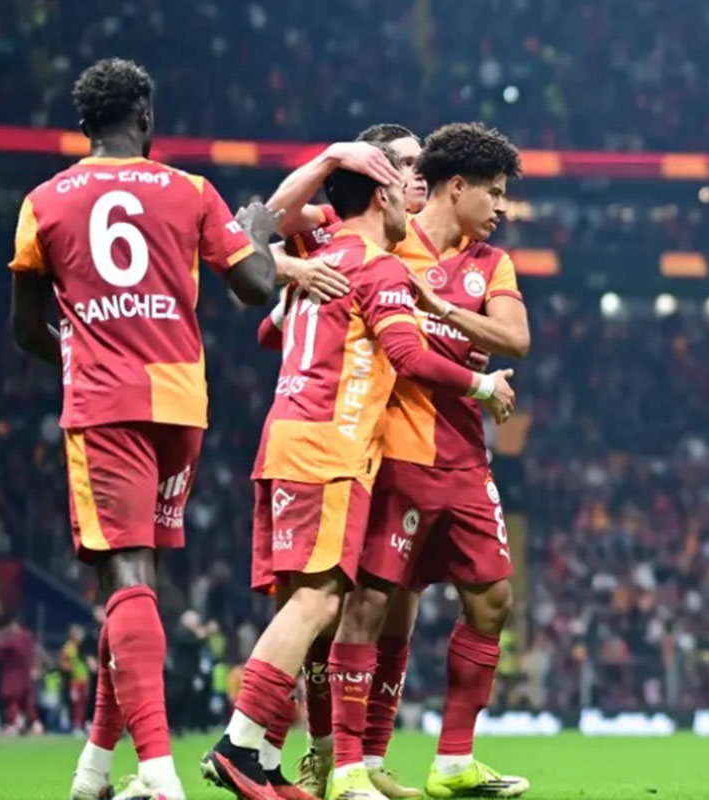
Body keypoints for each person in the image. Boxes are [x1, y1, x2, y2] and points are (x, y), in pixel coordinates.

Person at [201, 140, 516, 800]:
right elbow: (408, 355)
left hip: (287, 437)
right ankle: (245, 746)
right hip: (333, 446)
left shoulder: (326, 258)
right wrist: (482, 385)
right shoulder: (375, 264)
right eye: (400, 176)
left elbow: (253, 279)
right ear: (379, 193)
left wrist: (287, 265)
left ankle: (273, 757)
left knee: (313, 603)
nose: (411, 191)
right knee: (320, 603)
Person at [8, 57, 278, 800]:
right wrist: (256, 230)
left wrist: (85, 352)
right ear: (146, 117)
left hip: (106, 406)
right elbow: (257, 286)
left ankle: (158, 775)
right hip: (181, 405)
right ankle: (95, 769)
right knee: (136, 586)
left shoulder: (43, 201)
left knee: (124, 579)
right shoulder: (191, 191)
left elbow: (25, 329)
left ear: (84, 125)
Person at [59, 624, 92, 733]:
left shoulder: (84, 646)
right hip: (75, 681)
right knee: (76, 704)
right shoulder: (68, 647)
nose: (78, 636)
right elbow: (63, 662)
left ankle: (85, 724)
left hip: (85, 679)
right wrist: (70, 668)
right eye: (76, 633)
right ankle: (76, 726)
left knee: (86, 703)